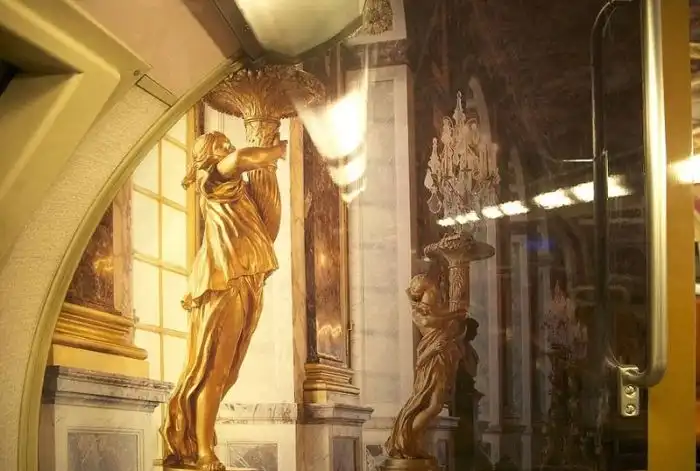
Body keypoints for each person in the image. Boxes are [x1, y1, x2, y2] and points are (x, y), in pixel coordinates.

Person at [161, 131, 287, 471]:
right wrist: (274, 150)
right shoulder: (212, 179)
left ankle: (196, 441)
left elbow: (269, 227)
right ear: (207, 155)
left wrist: (269, 165)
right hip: (224, 281)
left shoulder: (238, 192)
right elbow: (243, 157)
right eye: (221, 144)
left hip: (244, 279)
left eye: (228, 142)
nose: (229, 147)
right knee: (214, 372)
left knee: (227, 373)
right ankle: (203, 452)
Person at [384, 273, 467, 460]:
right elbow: (434, 323)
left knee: (433, 405)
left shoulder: (435, 309)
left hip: (440, 359)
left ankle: (410, 443)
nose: (437, 291)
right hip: (433, 361)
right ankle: (405, 441)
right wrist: (455, 314)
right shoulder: (421, 313)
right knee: (433, 405)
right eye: (434, 288)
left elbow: (452, 323)